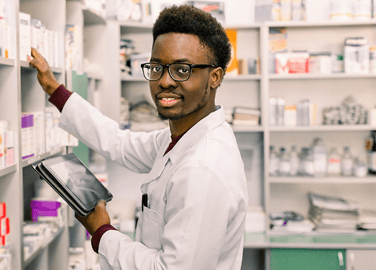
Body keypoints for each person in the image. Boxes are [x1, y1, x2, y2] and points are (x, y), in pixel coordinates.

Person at [29, 4, 248, 270]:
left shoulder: (202, 169)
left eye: (182, 70)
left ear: (215, 77)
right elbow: (118, 142)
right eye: (157, 68)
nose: (164, 81)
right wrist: (56, 90)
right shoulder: (179, 138)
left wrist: (102, 233)